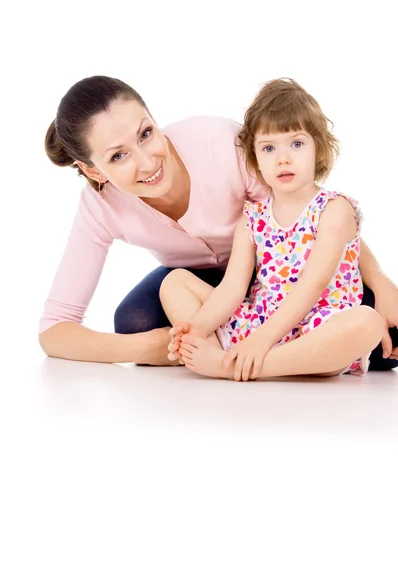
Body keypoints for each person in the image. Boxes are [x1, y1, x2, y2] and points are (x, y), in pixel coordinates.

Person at [39, 75, 398, 369]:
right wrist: (149, 346)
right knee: (134, 322)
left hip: (281, 269)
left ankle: (251, 360)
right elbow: (54, 329)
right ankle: (232, 359)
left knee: (387, 342)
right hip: (212, 282)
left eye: (146, 133)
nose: (147, 163)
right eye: (118, 156)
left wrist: (380, 281)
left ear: (153, 118)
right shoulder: (98, 208)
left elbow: (312, 219)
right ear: (90, 170)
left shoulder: (221, 143)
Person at [159, 78, 386, 381]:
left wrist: (262, 340)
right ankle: (214, 352)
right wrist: (196, 328)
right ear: (255, 158)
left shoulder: (335, 210)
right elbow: (232, 288)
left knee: (366, 323)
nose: (283, 158)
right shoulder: (253, 218)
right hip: (260, 320)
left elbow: (313, 285)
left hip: (315, 326)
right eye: (268, 148)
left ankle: (234, 366)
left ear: (318, 149)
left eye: (296, 143)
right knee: (175, 282)